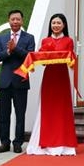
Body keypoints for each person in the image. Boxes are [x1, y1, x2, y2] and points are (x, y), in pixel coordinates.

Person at [28, 13, 77, 155]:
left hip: (62, 77)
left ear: (64, 25)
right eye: (53, 23)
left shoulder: (68, 41)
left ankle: (64, 144)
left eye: (58, 23)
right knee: (48, 108)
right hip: (49, 77)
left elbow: (70, 60)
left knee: (62, 109)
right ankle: (46, 143)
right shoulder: (45, 41)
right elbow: (43, 61)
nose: (55, 25)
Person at [0, 9, 35, 154]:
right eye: (13, 19)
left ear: (22, 21)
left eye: (18, 19)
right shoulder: (2, 38)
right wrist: (8, 52)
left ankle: (18, 143)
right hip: (5, 82)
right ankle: (4, 142)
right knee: (3, 115)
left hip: (21, 81)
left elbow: (30, 56)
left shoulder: (29, 38)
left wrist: (15, 48)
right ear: (9, 21)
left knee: (20, 115)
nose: (15, 21)